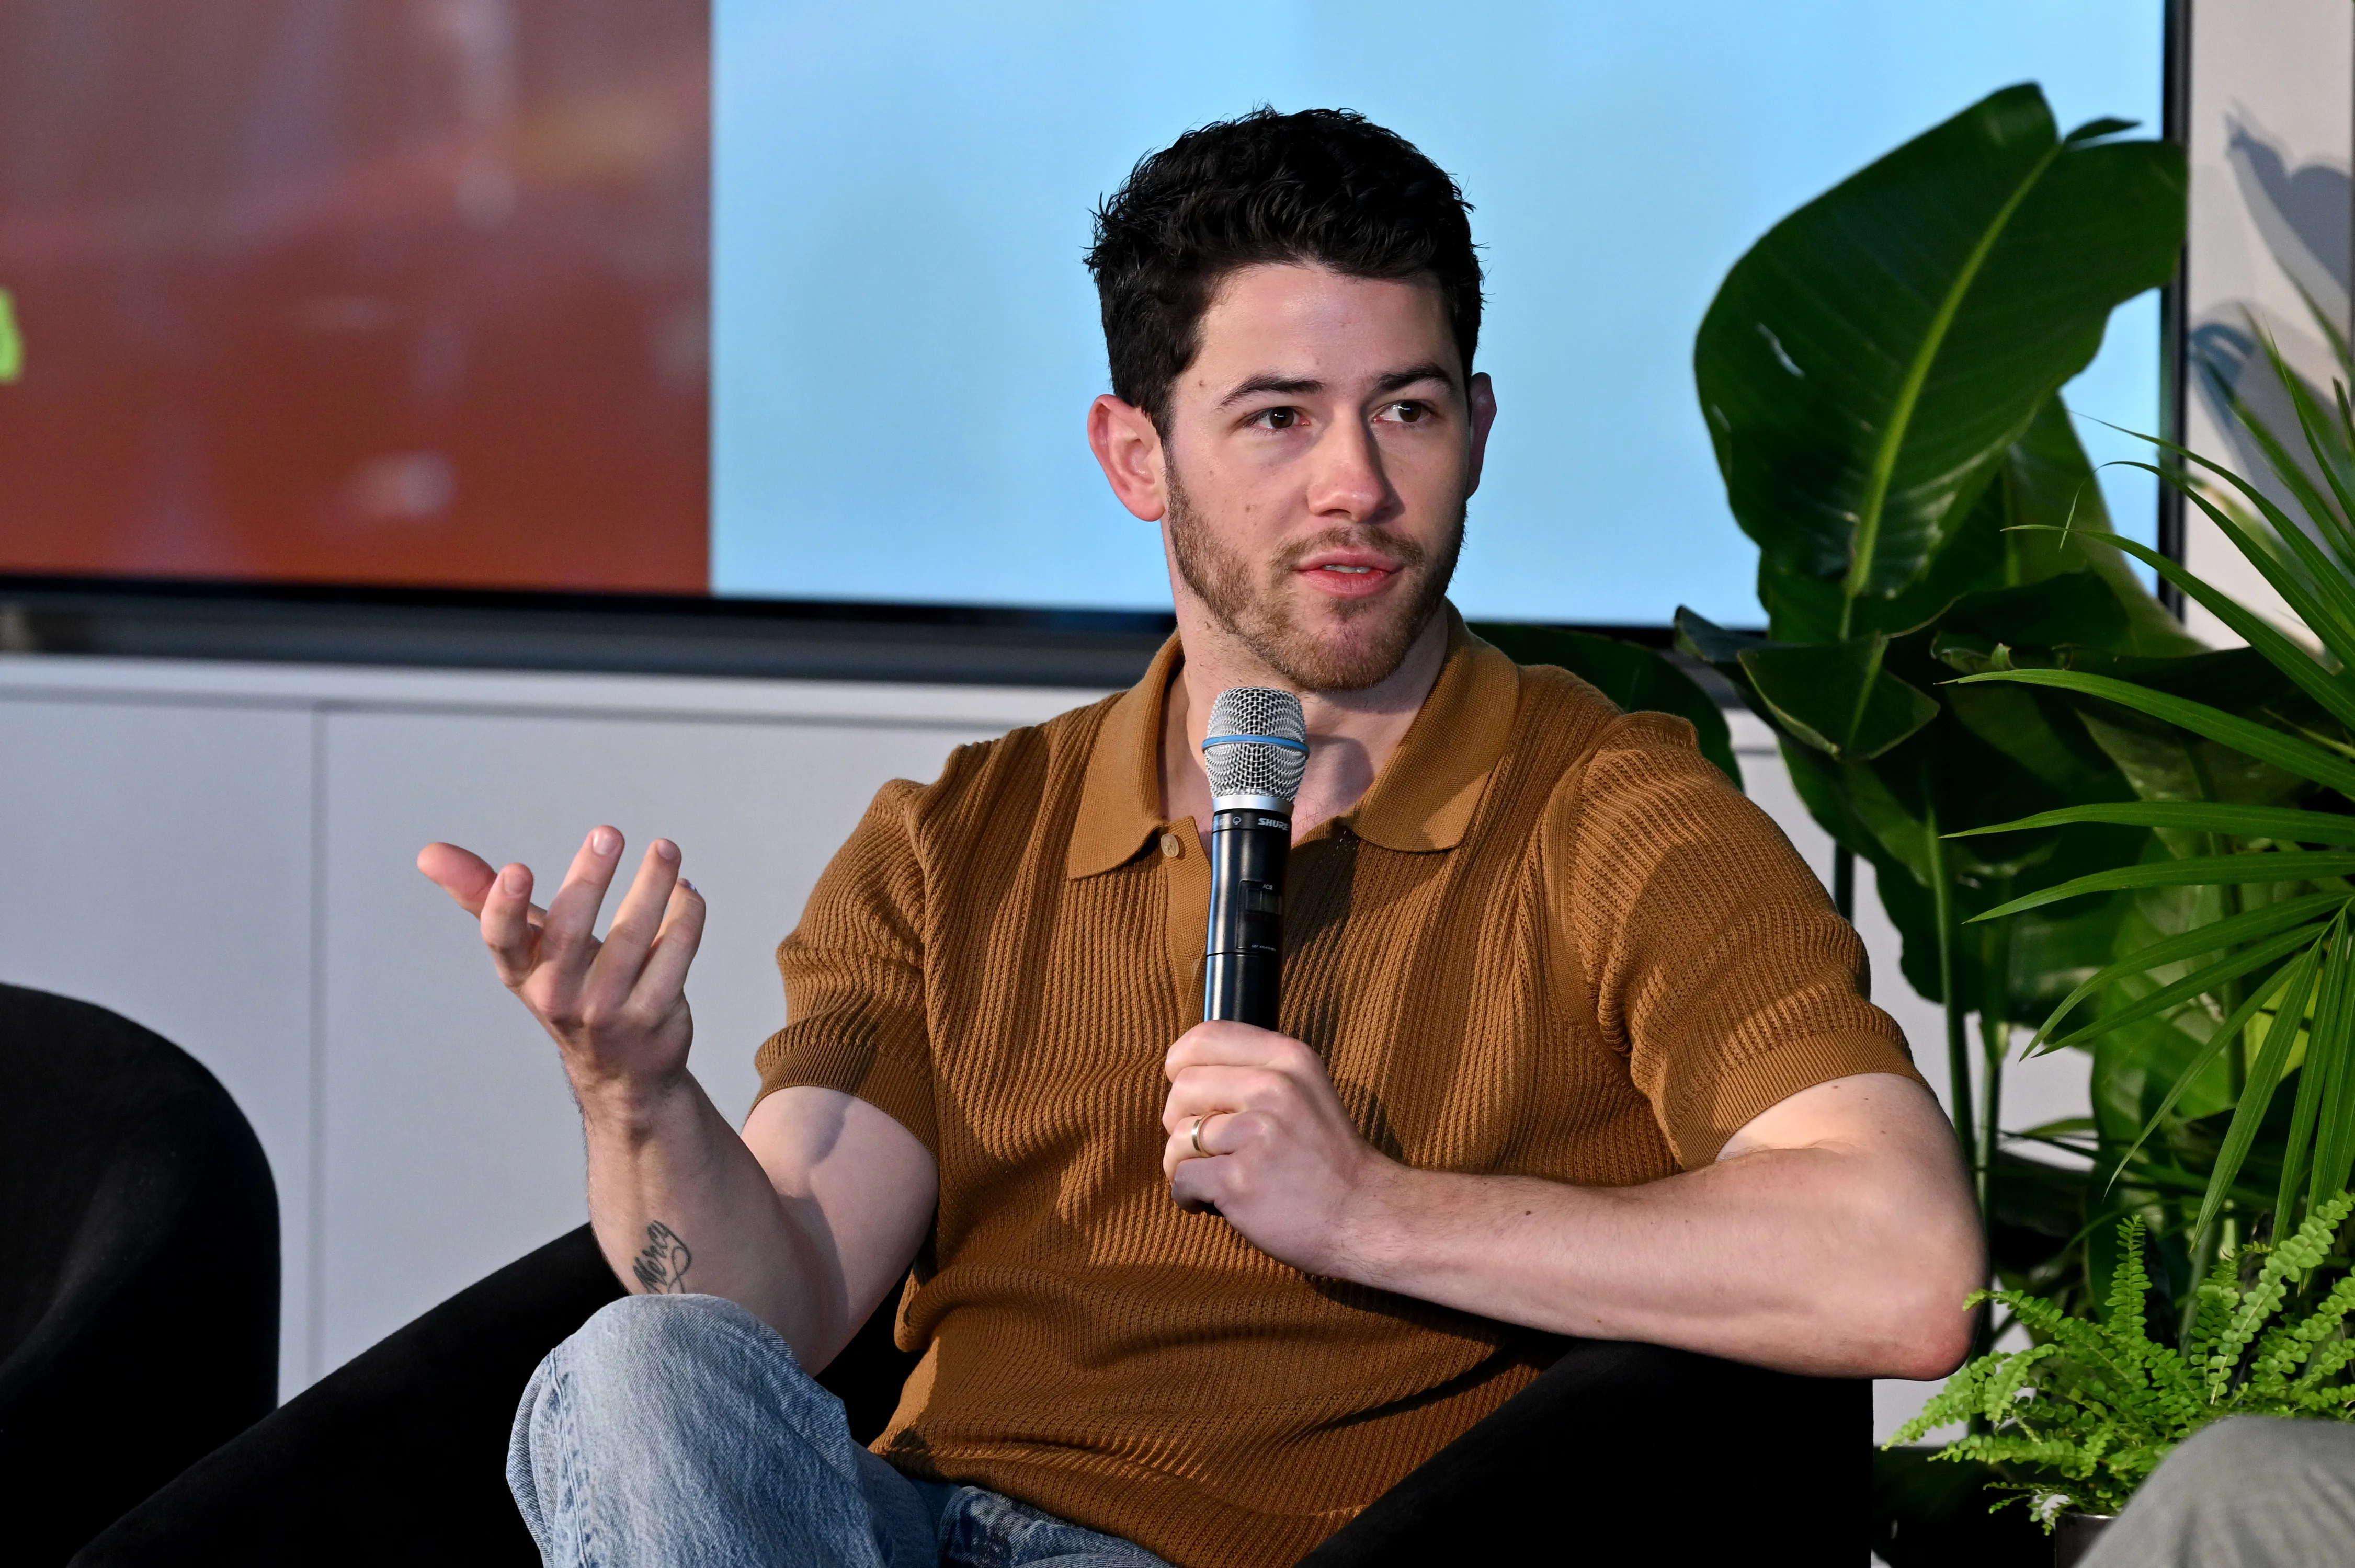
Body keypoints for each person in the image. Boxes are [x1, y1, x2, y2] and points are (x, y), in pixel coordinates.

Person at [419, 107, 1983, 1568]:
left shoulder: (1609, 811)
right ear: (1135, 456)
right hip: (910, 1530)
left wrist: (1370, 1210)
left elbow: (1903, 1266)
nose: (1357, 484)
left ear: (1479, 427)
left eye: (1408, 410)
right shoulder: (960, 836)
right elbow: (782, 1301)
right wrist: (630, 1092)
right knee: (639, 1366)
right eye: (1278, 418)